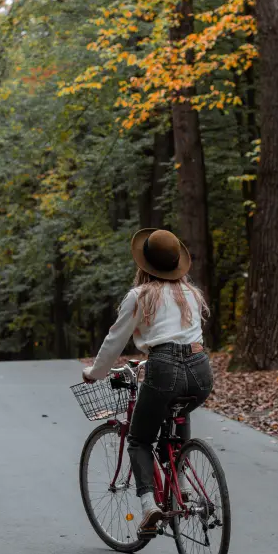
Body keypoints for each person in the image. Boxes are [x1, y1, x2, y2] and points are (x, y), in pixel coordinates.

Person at [83, 228, 213, 535]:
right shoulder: (191, 295)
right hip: (200, 369)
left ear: (144, 264)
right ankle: (183, 491)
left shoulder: (139, 296)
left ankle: (149, 506)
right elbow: (184, 338)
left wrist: (95, 373)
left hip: (164, 367)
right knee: (179, 416)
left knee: (140, 439)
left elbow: (115, 340)